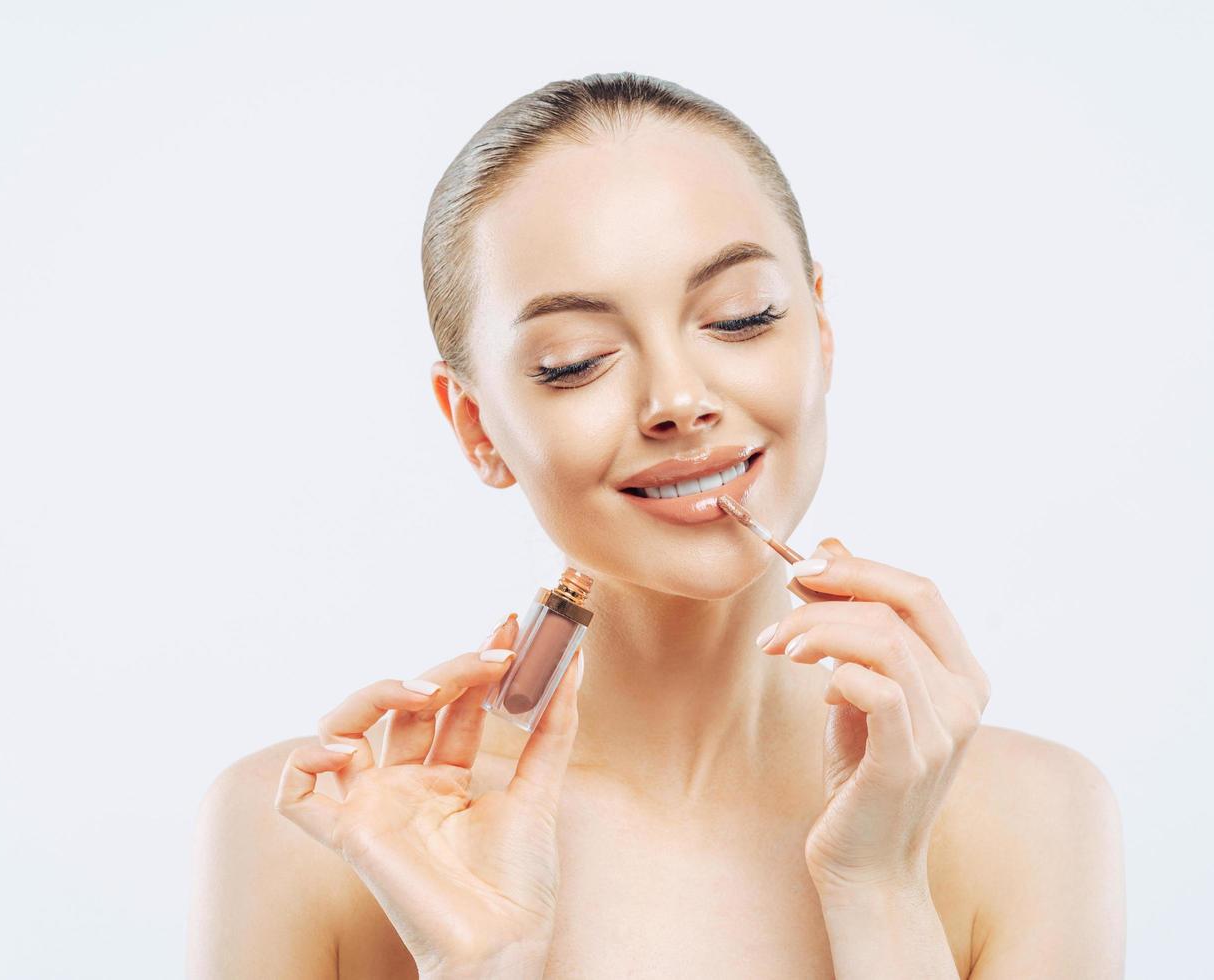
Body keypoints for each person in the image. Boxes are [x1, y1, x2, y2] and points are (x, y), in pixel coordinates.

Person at [186, 72, 1125, 978]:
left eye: (742, 317)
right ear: (477, 426)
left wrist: (879, 889)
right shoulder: (320, 835)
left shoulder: (1034, 821)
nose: (678, 399)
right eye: (575, 362)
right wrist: (484, 968)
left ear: (822, 331)